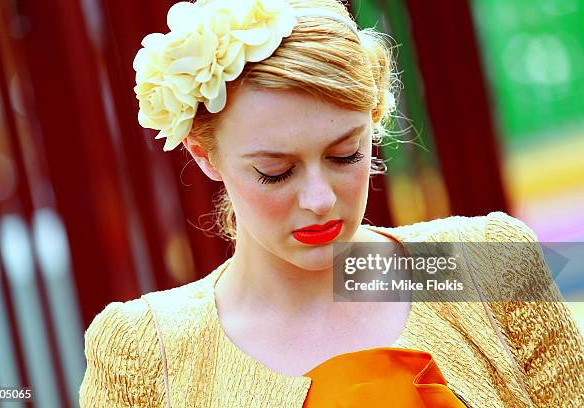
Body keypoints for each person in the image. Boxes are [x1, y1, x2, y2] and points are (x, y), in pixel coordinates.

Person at [79, 0, 584, 406]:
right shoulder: (149, 349)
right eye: (275, 172)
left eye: (346, 155)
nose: (320, 200)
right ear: (204, 154)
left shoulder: (482, 265)